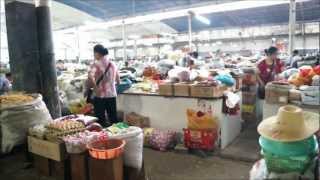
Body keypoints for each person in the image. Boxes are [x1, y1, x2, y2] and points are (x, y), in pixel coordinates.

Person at [86, 44, 120, 127]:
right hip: (112, 94)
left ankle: (103, 137)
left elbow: (90, 76)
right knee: (113, 118)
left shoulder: (96, 64)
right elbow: (118, 80)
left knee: (100, 119)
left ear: (97, 53)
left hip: (100, 95)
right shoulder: (112, 64)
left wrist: (95, 87)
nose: (94, 56)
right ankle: (115, 135)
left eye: (94, 53)